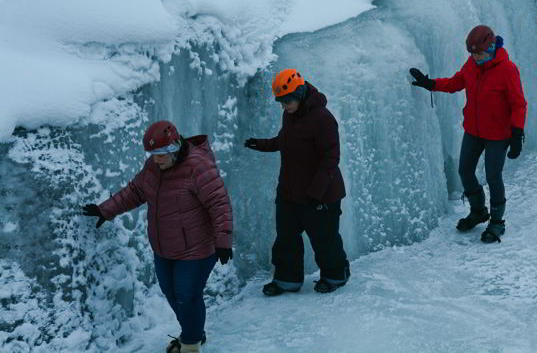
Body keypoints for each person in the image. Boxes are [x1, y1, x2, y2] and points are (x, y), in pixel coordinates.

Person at [82, 121, 233, 353]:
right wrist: (106, 209)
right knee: (171, 293)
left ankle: (190, 344)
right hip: (164, 247)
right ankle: (194, 333)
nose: (157, 159)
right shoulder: (153, 167)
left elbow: (219, 203)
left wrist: (223, 240)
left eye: (162, 154)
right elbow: (135, 191)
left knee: (187, 296)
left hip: (197, 248)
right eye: (152, 154)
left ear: (175, 146)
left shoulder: (198, 166)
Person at [409, 25, 527, 243]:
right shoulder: (472, 65)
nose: (476, 57)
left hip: (498, 135)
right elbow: (456, 82)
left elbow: (518, 104)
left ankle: (497, 222)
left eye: (479, 53)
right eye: (472, 54)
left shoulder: (507, 69)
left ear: (491, 48)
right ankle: (479, 211)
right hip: (473, 130)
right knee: (465, 171)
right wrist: (431, 84)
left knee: (493, 176)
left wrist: (517, 132)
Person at [245, 69, 350, 295]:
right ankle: (286, 280)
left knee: (324, 239)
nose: (284, 106)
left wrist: (315, 193)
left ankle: (335, 275)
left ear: (300, 94)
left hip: (320, 194)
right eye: (281, 102)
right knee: (286, 239)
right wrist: (261, 144)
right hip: (290, 192)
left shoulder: (322, 118)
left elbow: (330, 158)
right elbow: (285, 141)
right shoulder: (290, 114)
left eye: (287, 101)